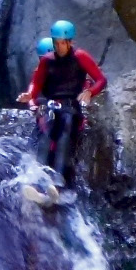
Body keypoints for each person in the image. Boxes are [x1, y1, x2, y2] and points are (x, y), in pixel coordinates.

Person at [20, 21, 106, 187]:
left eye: (62, 43)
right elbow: (36, 82)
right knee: (46, 132)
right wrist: (30, 95)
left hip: (71, 105)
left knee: (65, 130)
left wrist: (90, 92)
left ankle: (57, 179)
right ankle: (38, 178)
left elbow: (101, 79)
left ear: (70, 42)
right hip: (52, 104)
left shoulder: (80, 57)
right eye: (56, 43)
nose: (59, 47)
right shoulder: (47, 60)